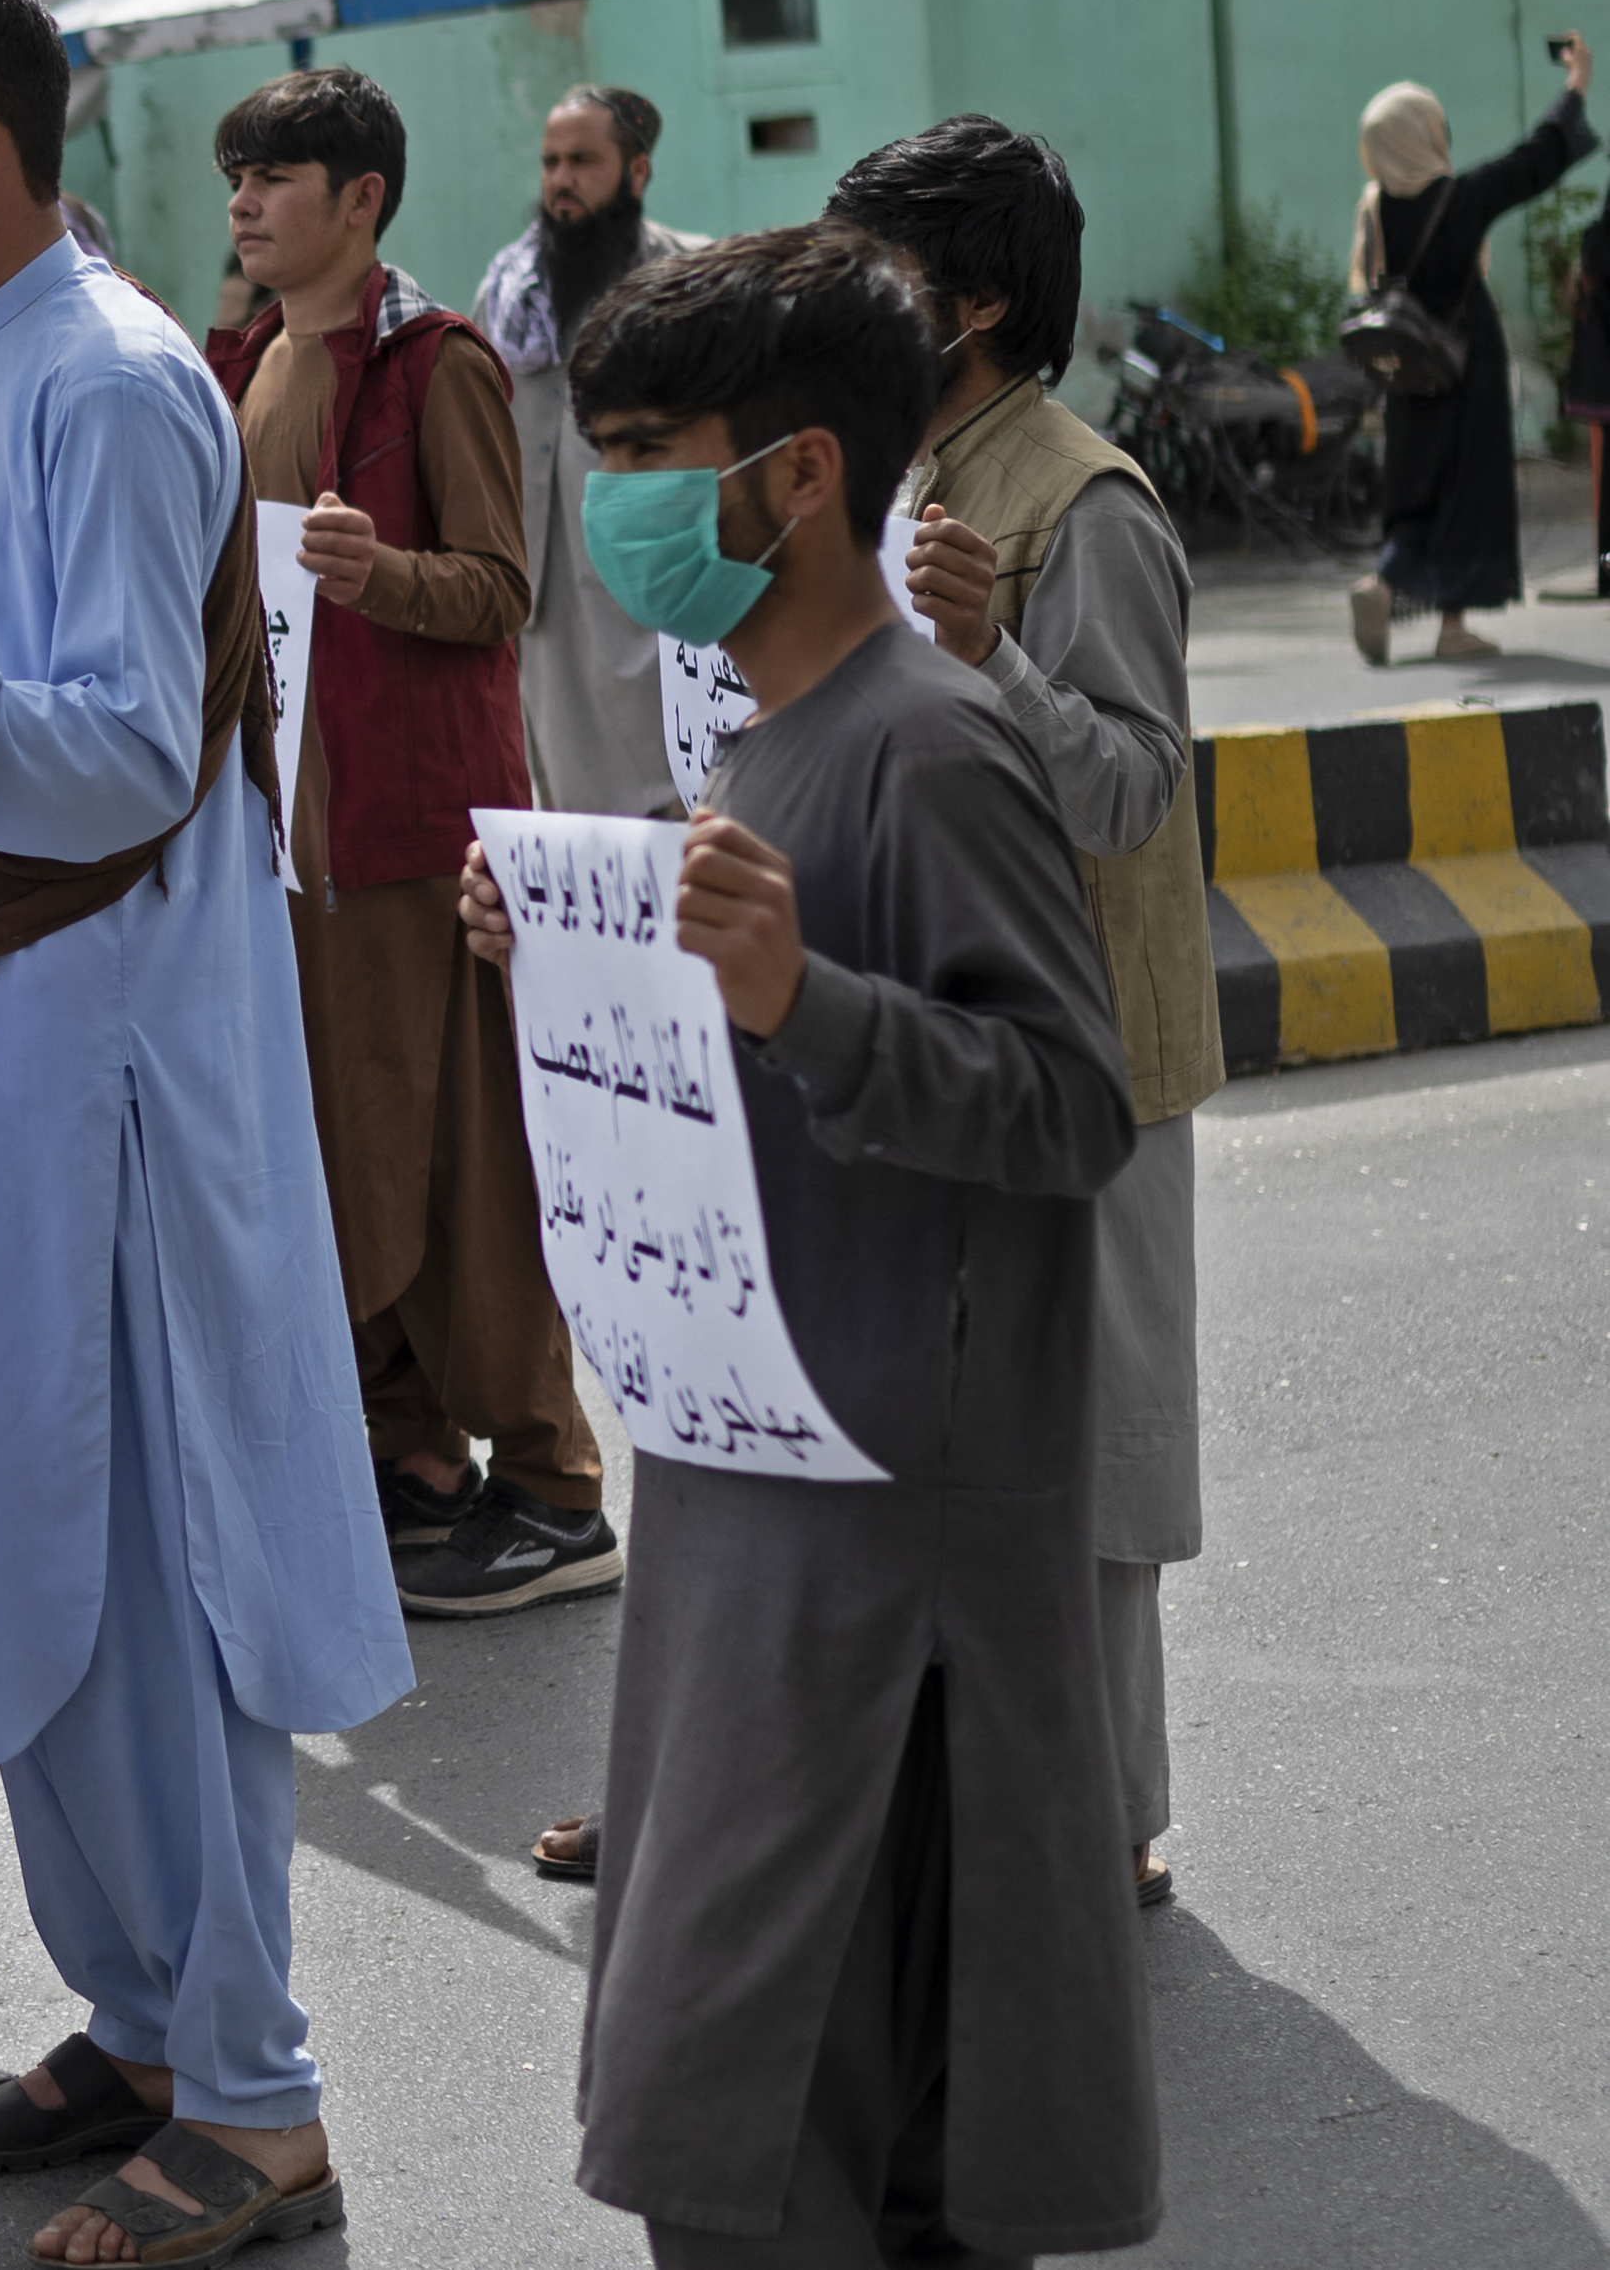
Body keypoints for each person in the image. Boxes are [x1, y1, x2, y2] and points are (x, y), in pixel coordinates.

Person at [0, 0, 407, 2259]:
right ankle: (133, 2022)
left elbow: (126, 751)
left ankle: (252, 2090)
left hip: (106, 1081)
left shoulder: (117, 389)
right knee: (21, 1544)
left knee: (151, 1582)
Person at [464, 223, 1149, 2270]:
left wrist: (799, 1003)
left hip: (887, 1574)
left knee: (800, 2133)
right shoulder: (763, 734)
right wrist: (594, 959)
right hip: (750, 1508)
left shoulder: (929, 740)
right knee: (744, 2117)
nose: (615, 501)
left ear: (796, 478)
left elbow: (1066, 1104)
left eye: (652, 449)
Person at [839, 118, 1224, 1912]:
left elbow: (1138, 788)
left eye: (883, 266)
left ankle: (1106, 1820)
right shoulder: (915, 479)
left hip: (1088, 1059)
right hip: (958, 1042)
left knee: (1090, 1463)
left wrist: (995, 654)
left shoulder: (1082, 502)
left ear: (976, 297)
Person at [208, 69, 605, 1617]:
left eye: (275, 177)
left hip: (406, 833)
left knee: (455, 1164)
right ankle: (412, 1455)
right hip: (287, 834)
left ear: (359, 198)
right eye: (235, 176)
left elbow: (502, 589)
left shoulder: (436, 363)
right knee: (329, 1157)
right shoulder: (244, 361)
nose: (241, 202)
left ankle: (554, 1479)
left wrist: (379, 574)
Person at [475, 86, 701, 814]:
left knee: (673, 801)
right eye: (549, 163)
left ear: (636, 172)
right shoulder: (506, 293)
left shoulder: (685, 282)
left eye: (581, 161)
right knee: (567, 806)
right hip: (540, 602)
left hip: (648, 592)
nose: (559, 182)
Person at [1349, 34, 1596, 662]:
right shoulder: (1459, 200)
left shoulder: (1375, 207)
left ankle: (1384, 584)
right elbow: (1534, 160)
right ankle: (1452, 627)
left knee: (1417, 488)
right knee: (1469, 489)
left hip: (1406, 370)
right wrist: (1576, 86)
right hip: (1466, 365)